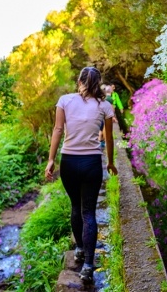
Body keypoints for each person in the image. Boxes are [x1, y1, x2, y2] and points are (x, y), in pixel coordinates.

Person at [45, 67, 118, 283]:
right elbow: (109, 138)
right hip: (92, 163)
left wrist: (51, 160)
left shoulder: (65, 100)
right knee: (89, 212)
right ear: (98, 83)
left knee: (75, 207)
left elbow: (58, 130)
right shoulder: (104, 105)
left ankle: (79, 248)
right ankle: (88, 265)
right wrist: (111, 162)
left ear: (79, 80)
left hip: (69, 162)